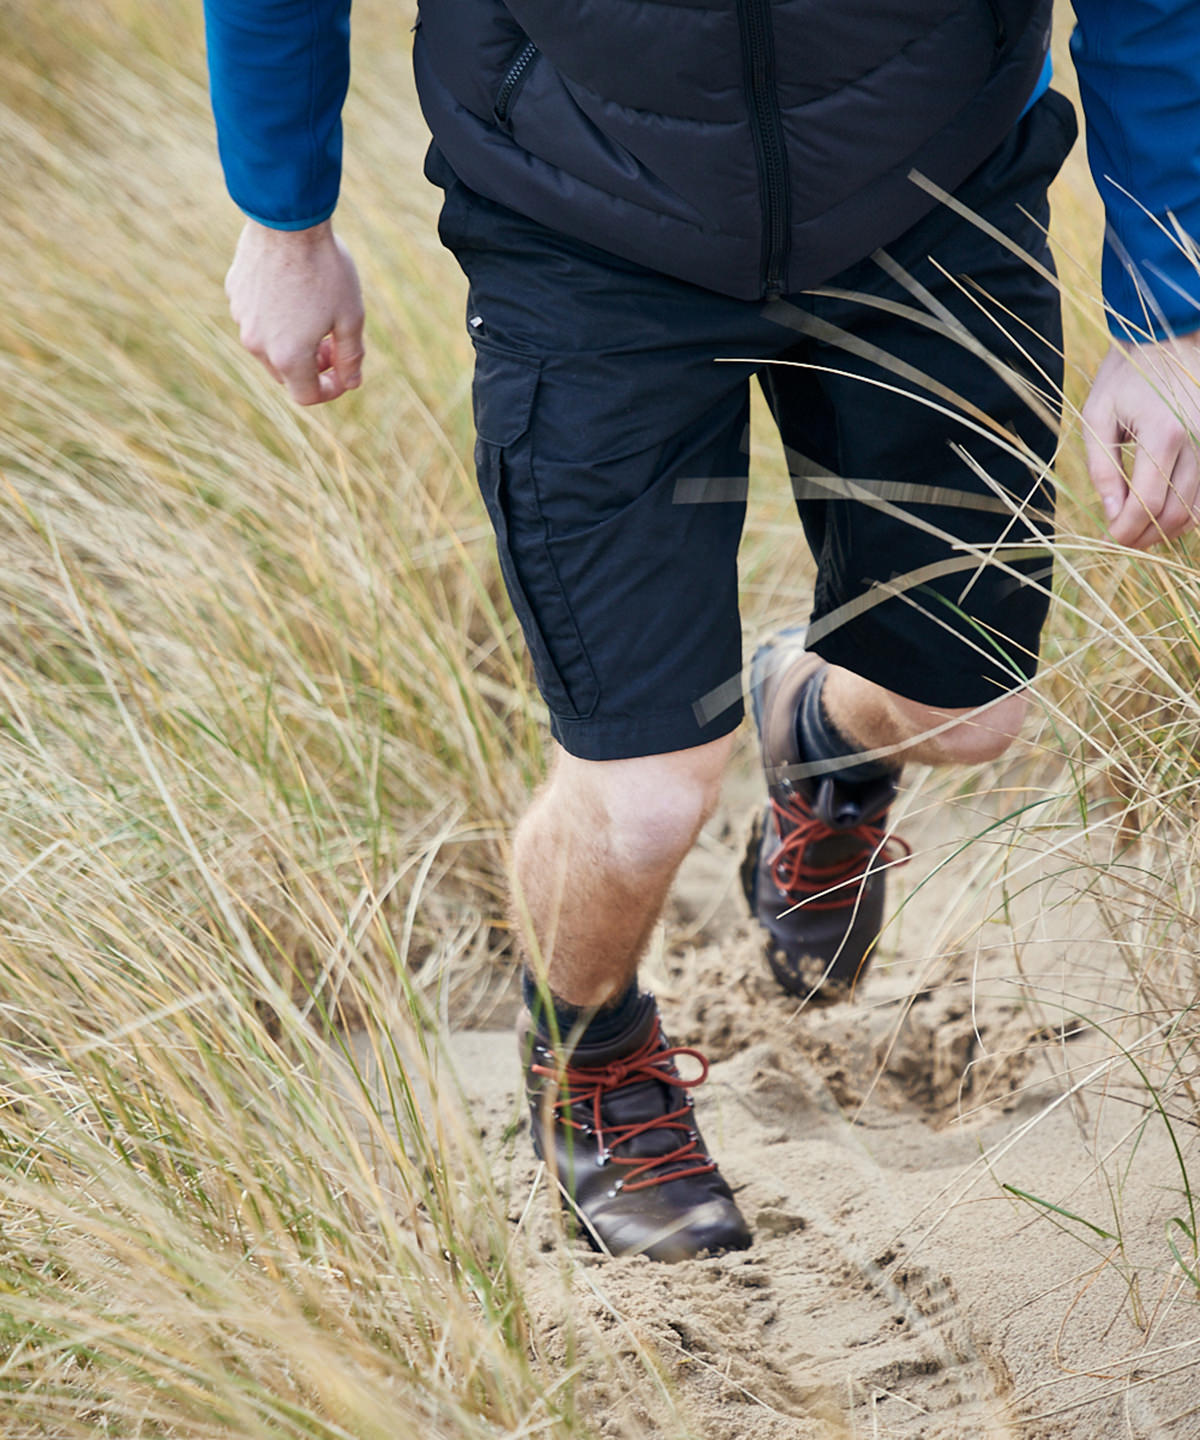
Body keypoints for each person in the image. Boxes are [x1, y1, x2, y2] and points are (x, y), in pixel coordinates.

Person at [203, 0, 1200, 1262]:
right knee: (642, 803)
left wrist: (1169, 305)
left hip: (932, 193)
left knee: (971, 715)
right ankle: (592, 1053)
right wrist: (283, 214)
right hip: (581, 221)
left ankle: (819, 725)